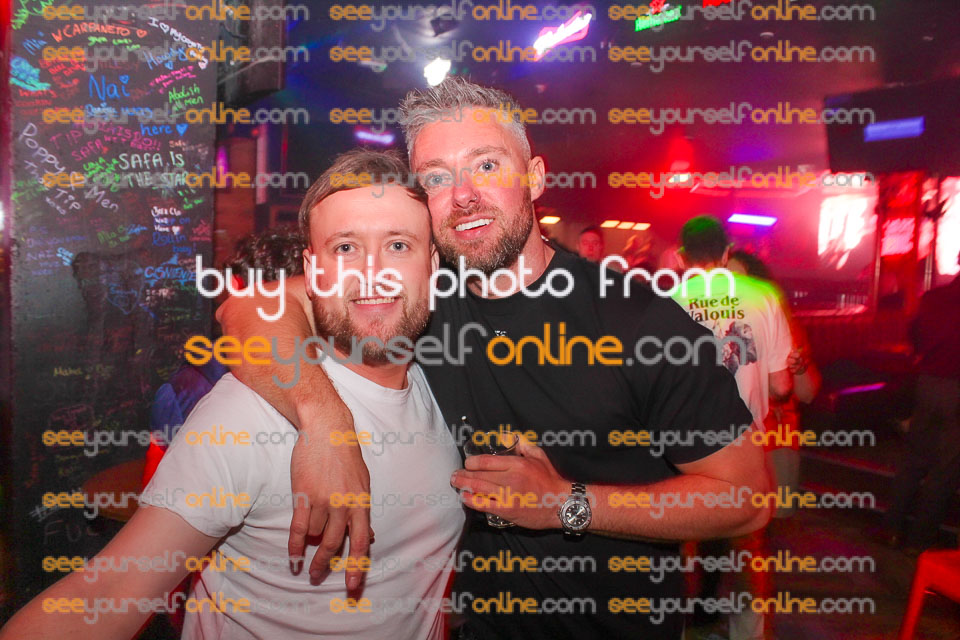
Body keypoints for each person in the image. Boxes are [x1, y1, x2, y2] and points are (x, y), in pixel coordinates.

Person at [217, 77, 771, 639]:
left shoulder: (636, 320)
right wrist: (324, 422)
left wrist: (565, 504)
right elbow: (248, 309)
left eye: (486, 165)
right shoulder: (417, 300)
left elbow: (747, 498)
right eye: (437, 177)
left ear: (535, 177)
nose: (463, 195)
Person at [0, 149, 465, 639]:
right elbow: (107, 596)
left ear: (432, 264)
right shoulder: (250, 414)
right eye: (346, 248)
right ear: (313, 271)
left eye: (398, 245)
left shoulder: (446, 388)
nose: (373, 271)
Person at [672, 219, 794, 640]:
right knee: (749, 549)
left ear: (681, 257)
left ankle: (679, 627)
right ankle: (749, 633)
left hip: (684, 444)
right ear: (726, 254)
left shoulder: (665, 301)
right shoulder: (763, 296)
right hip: (745, 444)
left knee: (680, 545)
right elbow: (783, 385)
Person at [883, 251, 960, 551]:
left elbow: (915, 336)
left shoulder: (933, 298)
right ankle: (919, 542)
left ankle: (892, 529)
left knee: (914, 461)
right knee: (945, 471)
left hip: (928, 385)